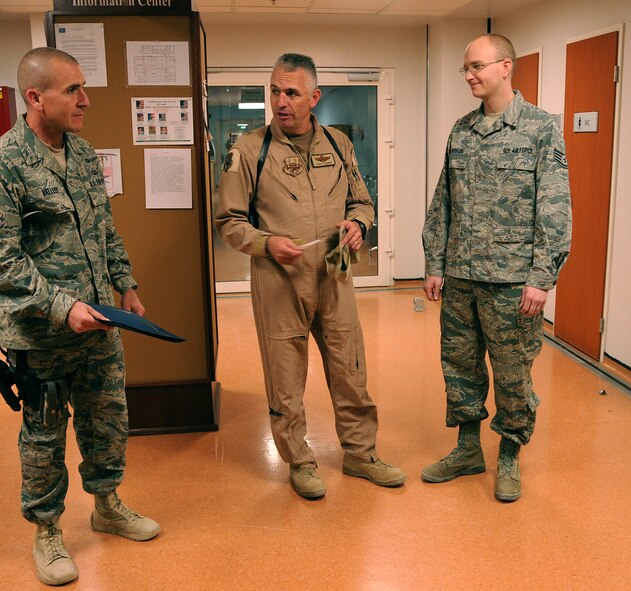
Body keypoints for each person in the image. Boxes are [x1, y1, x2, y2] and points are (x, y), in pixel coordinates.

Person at [0, 47, 160, 586]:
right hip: (41, 334)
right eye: (72, 89)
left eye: (82, 88)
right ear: (35, 97)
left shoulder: (81, 153)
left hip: (99, 324)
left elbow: (104, 226)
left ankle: (107, 504)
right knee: (45, 436)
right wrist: (60, 306)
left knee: (108, 420)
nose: (85, 99)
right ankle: (47, 530)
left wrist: (125, 282)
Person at [215, 53, 405, 499]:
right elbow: (228, 221)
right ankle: (299, 461)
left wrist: (357, 225)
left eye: (292, 93)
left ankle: (360, 454)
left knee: (349, 367)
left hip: (334, 275)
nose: (281, 101)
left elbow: (362, 202)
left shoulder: (338, 144)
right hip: (280, 280)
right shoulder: (249, 150)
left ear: (314, 97)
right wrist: (265, 243)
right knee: (286, 377)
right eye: (275, 91)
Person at [420, 34, 572, 502]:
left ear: (506, 66)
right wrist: (434, 261)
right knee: (460, 365)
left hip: (513, 282)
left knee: (512, 372)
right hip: (462, 276)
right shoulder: (461, 131)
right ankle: (468, 448)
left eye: (477, 66)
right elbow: (442, 202)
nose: (469, 74)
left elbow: (554, 207)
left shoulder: (540, 128)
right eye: (465, 67)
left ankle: (509, 453)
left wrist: (542, 277)